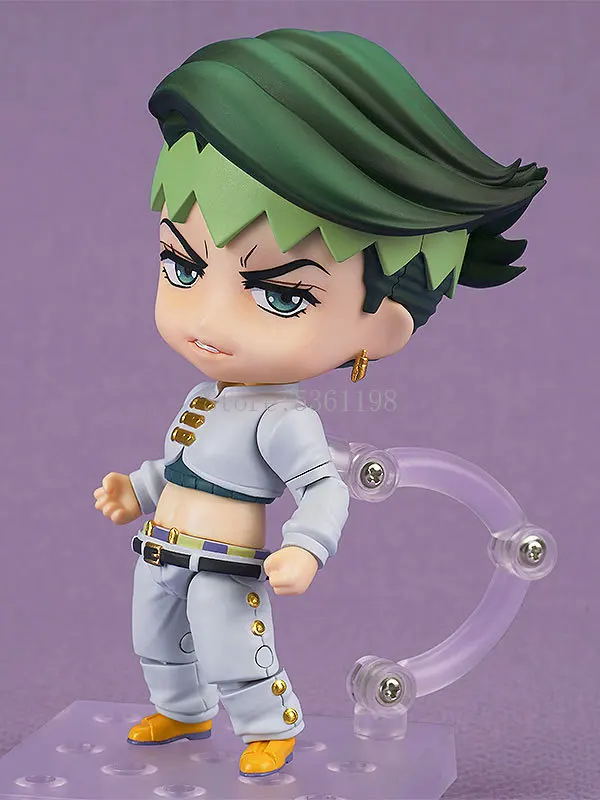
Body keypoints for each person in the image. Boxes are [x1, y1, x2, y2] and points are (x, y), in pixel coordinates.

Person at [93, 27, 546, 778]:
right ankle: (182, 709)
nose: (209, 319)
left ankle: (270, 723)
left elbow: (323, 488)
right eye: (182, 264)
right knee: (156, 637)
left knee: (233, 646)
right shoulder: (204, 397)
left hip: (226, 562)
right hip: (161, 545)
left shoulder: (284, 419)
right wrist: (134, 490)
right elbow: (180, 467)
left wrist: (306, 547)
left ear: (383, 326)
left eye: (280, 294)